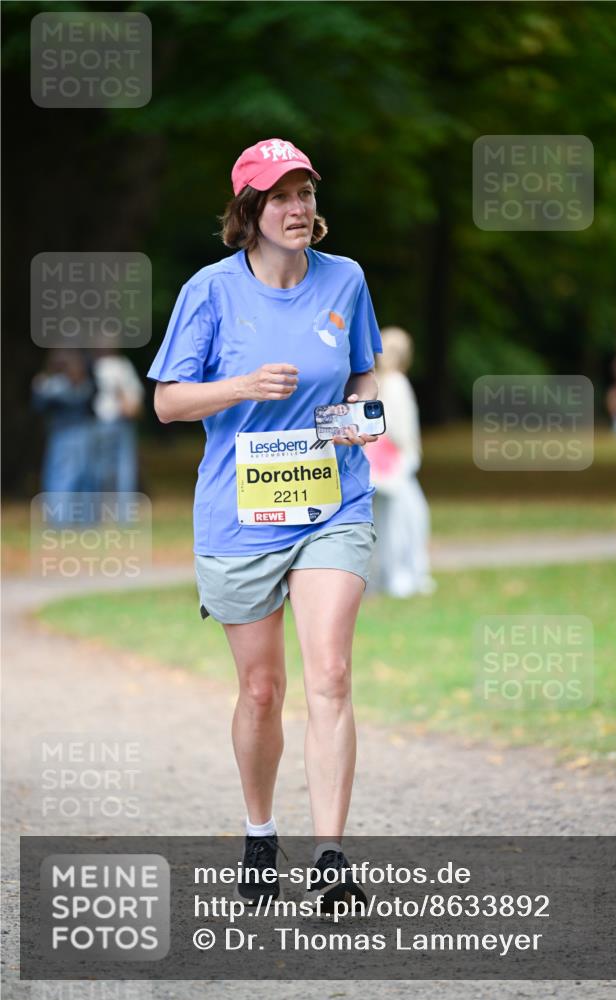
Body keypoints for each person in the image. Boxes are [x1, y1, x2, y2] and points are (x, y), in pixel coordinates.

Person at [147, 138, 382, 910]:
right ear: (248, 211)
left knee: (332, 674)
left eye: (306, 193)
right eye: (280, 196)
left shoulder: (344, 280)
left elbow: (363, 377)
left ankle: (331, 858)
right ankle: (258, 832)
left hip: (330, 504)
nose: (297, 208)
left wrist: (356, 421)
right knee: (259, 689)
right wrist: (240, 384)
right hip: (240, 512)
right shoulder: (209, 293)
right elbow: (168, 402)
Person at [367, 327, 435, 598]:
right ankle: (395, 576)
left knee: (407, 520)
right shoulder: (386, 382)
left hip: (394, 464)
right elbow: (393, 429)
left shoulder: (392, 382)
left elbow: (402, 431)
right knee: (393, 522)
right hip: (387, 464)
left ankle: (401, 575)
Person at [32, 349, 97, 521]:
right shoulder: (57, 384)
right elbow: (40, 405)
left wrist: (42, 389)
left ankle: (81, 519)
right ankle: (61, 519)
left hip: (77, 432)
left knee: (80, 475)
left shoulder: (65, 386)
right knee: (64, 476)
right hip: (65, 433)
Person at [91, 347, 145, 497]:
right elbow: (135, 393)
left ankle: (102, 503)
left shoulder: (93, 364)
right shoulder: (122, 365)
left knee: (102, 464)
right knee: (124, 465)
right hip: (119, 420)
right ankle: (123, 505)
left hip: (103, 420)